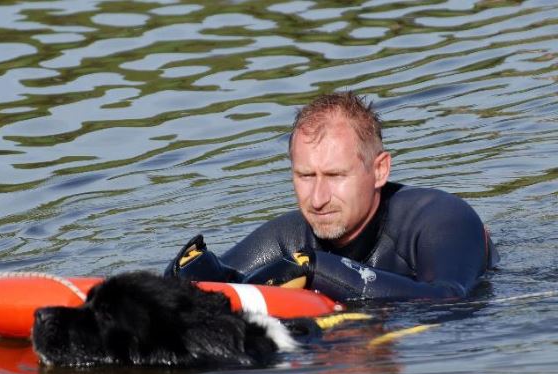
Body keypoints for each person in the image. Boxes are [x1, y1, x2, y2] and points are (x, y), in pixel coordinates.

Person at [165, 92, 499, 301]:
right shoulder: (290, 236)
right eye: (306, 176)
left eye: (336, 175)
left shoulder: (442, 220)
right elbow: (229, 279)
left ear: (380, 170)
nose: (318, 199)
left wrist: (319, 270)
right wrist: (187, 274)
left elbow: (449, 299)